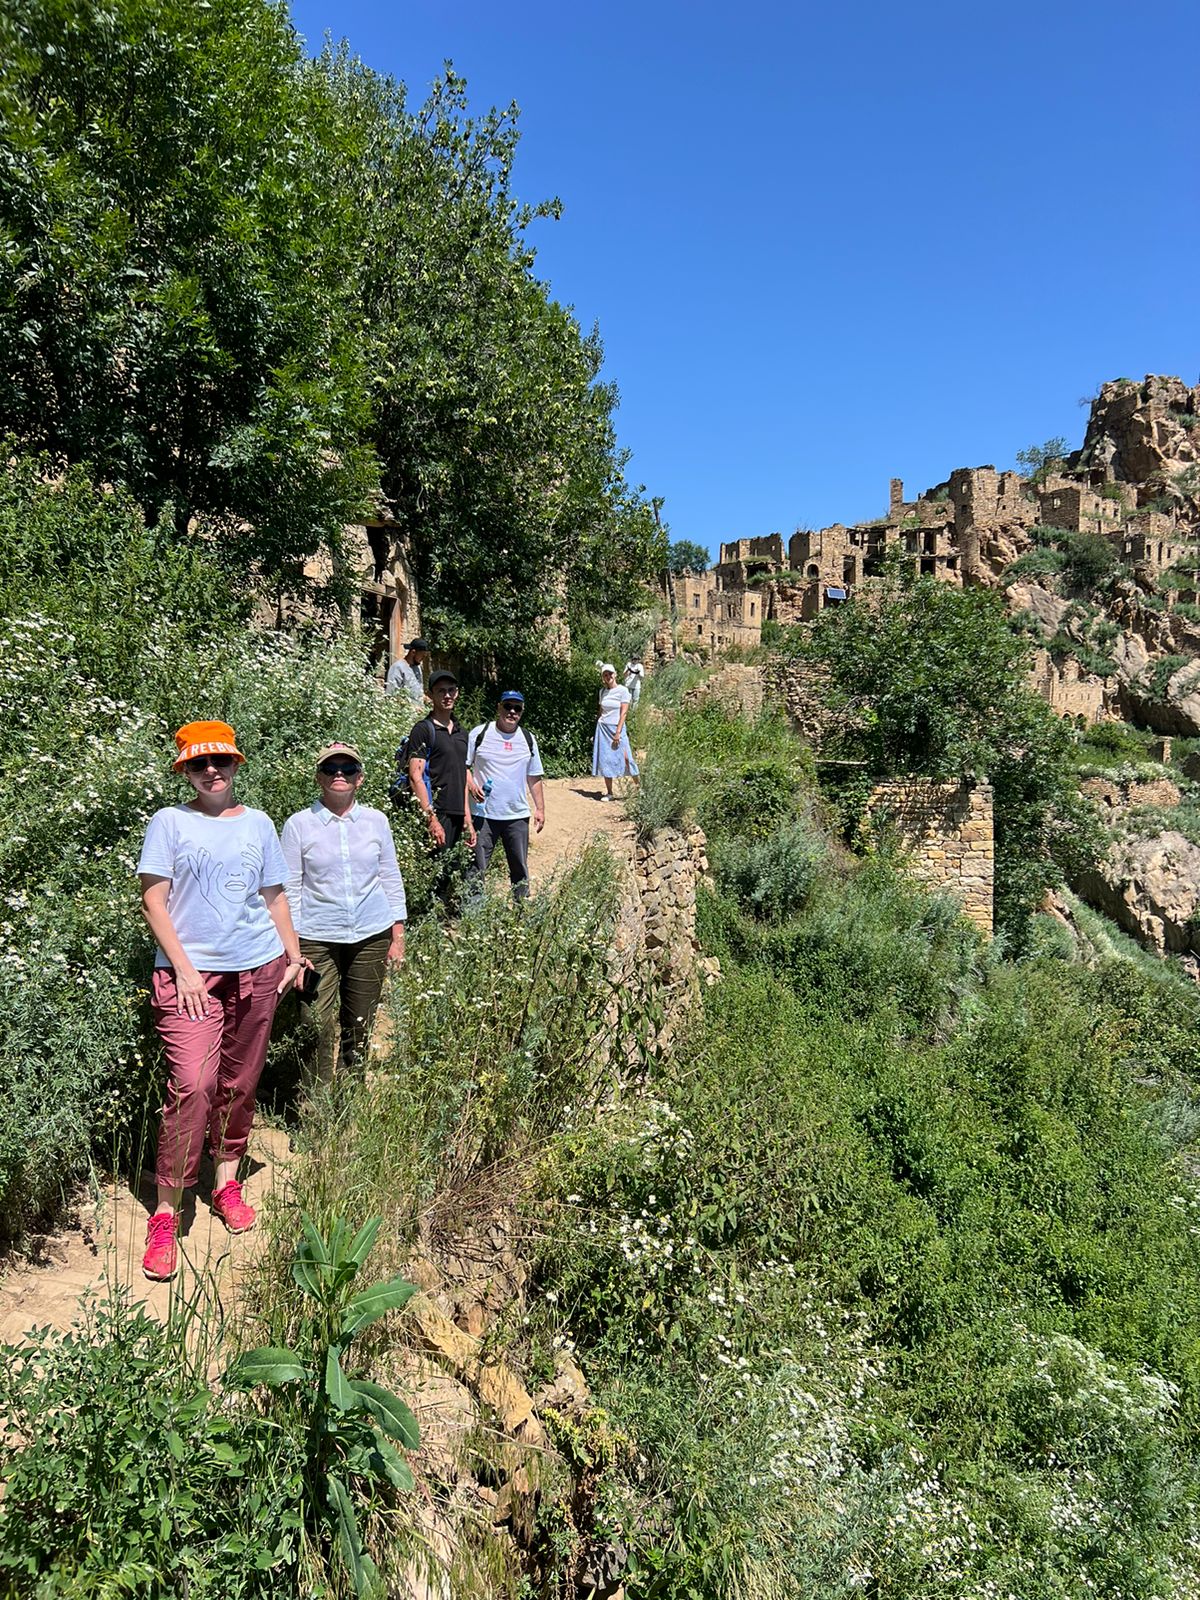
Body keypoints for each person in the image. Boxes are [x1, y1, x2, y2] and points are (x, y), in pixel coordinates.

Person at [137, 720, 306, 1282]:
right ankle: (168, 1211)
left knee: (241, 1080)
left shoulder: (259, 823)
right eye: (199, 763)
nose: (212, 770)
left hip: (258, 968)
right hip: (190, 977)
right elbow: (153, 902)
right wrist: (184, 971)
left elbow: (274, 896)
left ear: (236, 764)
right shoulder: (169, 822)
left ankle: (226, 1181)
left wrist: (293, 955)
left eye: (222, 761)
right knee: (193, 1083)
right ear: (185, 770)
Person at [281, 742, 407, 1090]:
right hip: (315, 940)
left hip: (371, 935)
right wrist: (293, 951)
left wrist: (397, 934)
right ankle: (316, 1102)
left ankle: (349, 1096)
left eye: (348, 768)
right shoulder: (299, 825)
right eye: (331, 768)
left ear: (359, 778)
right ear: (319, 777)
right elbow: (289, 889)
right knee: (313, 1022)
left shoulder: (376, 821)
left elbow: (390, 876)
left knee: (360, 1020)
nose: (340, 774)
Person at [466, 691, 546, 901]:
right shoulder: (479, 734)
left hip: (516, 814)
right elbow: (463, 767)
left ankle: (520, 910)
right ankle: (473, 914)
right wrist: (471, 784)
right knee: (476, 868)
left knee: (519, 869)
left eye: (517, 708)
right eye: (508, 706)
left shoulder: (528, 738)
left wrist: (540, 809)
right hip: (483, 815)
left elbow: (534, 776)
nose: (512, 711)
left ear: (522, 711)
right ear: (499, 707)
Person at [408, 670, 476, 907]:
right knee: (434, 874)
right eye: (441, 691)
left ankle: (447, 918)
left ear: (457, 693)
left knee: (452, 871)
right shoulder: (423, 729)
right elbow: (415, 776)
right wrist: (431, 819)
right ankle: (429, 920)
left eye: (451, 690)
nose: (447, 695)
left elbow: (461, 775)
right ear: (431, 695)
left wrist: (468, 818)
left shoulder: (461, 732)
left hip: (457, 812)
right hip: (437, 811)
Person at [592, 663, 640, 801]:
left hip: (617, 728)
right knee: (606, 759)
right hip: (603, 728)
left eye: (610, 674)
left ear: (615, 674)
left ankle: (640, 789)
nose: (608, 677)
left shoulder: (623, 691)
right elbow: (601, 711)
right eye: (605, 675)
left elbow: (623, 713)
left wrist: (618, 732)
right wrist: (596, 729)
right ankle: (610, 793)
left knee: (627, 758)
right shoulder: (602, 692)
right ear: (603, 677)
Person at [385, 637, 430, 705]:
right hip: (404, 711)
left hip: (419, 710)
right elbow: (392, 695)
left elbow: (417, 691)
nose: (423, 659)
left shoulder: (418, 668)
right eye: (422, 656)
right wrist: (411, 707)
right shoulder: (398, 668)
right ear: (413, 652)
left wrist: (425, 699)